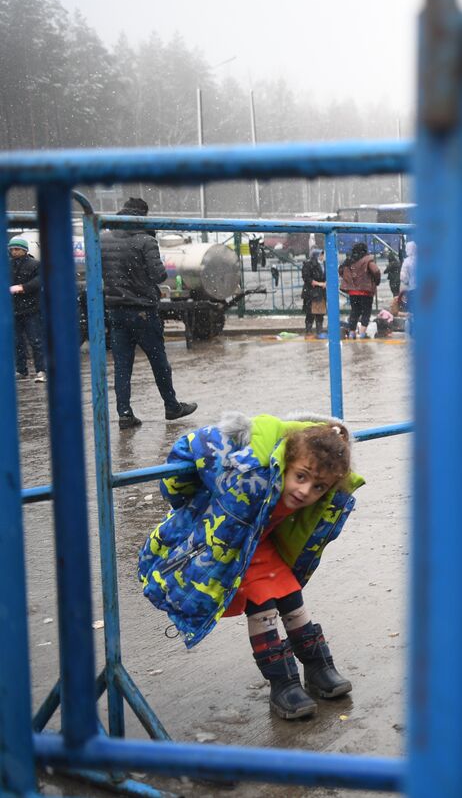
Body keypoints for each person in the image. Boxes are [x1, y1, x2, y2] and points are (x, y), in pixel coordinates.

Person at [136, 411, 363, 719]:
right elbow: (193, 446)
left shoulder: (315, 490)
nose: (305, 491)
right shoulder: (249, 475)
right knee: (263, 606)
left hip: (261, 546)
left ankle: (318, 666)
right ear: (286, 462)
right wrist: (179, 494)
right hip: (233, 544)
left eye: (319, 487)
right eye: (300, 477)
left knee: (293, 601)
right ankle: (282, 682)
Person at [99, 197, 196, 429]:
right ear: (143, 216)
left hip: (115, 310)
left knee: (122, 365)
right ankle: (172, 406)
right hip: (142, 310)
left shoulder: (103, 239)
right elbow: (159, 276)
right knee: (158, 361)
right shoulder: (145, 240)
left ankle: (124, 413)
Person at [8, 237, 44, 383]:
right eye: (12, 249)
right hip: (15, 309)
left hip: (31, 309)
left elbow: (40, 280)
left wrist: (23, 288)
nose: (13, 251)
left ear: (24, 250)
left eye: (16, 249)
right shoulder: (7, 265)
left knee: (36, 341)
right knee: (17, 342)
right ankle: (21, 370)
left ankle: (41, 370)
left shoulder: (35, 264)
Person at [338, 241, 380, 338]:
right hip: (366, 291)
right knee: (366, 312)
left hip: (353, 292)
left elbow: (340, 271)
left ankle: (352, 333)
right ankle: (362, 334)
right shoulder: (367, 260)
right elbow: (376, 271)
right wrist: (376, 281)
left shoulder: (349, 261)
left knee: (355, 311)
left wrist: (350, 280)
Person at [301, 249, 327, 338]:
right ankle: (308, 331)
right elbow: (306, 278)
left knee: (320, 313)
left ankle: (319, 332)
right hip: (311, 293)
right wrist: (318, 283)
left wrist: (326, 283)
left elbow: (328, 275)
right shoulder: (308, 264)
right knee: (310, 313)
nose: (322, 256)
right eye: (321, 254)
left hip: (321, 293)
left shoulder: (325, 264)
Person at [397, 240, 416, 313]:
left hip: (412, 289)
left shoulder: (407, 261)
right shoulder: (422, 260)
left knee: (412, 310)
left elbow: (403, 277)